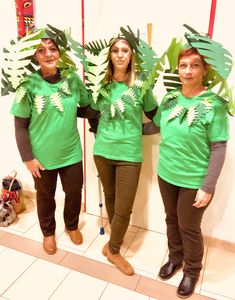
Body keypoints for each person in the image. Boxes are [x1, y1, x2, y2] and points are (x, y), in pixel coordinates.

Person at [152, 48, 229, 298]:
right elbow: (155, 125)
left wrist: (207, 186)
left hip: (194, 179)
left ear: (204, 69)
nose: (188, 70)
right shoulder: (170, 98)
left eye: (194, 65)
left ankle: (192, 271)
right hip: (167, 173)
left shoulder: (214, 104)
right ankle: (175, 258)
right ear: (178, 69)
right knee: (171, 219)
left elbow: (218, 147)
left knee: (188, 227)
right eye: (183, 65)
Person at [10, 34, 97, 255]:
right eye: (42, 50)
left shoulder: (72, 79)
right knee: (45, 196)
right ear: (35, 56)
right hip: (42, 156)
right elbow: (20, 125)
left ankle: (72, 226)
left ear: (59, 53)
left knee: (74, 192)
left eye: (52, 49)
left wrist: (106, 105)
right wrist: (28, 158)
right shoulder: (27, 85)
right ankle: (48, 233)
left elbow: (85, 108)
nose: (48, 54)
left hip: (71, 152)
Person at [90, 36, 158, 275]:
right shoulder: (102, 86)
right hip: (103, 151)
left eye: (125, 50)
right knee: (111, 196)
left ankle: (114, 249)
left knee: (124, 207)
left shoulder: (140, 85)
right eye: (116, 50)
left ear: (131, 56)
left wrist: (172, 122)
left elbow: (154, 115)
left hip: (129, 153)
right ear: (110, 55)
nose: (120, 54)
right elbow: (91, 112)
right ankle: (113, 244)